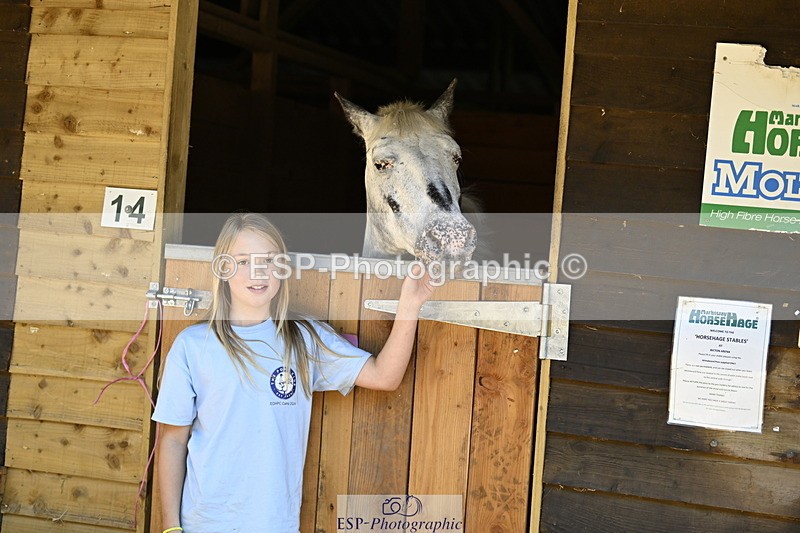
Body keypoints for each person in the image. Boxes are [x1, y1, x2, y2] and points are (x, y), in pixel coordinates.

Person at [153, 213, 437, 533]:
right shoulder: (193, 346)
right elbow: (173, 441)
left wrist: (410, 305)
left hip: (275, 525)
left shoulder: (303, 339)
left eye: (270, 260)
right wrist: (171, 528)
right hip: (204, 524)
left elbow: (384, 376)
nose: (258, 272)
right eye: (244, 261)